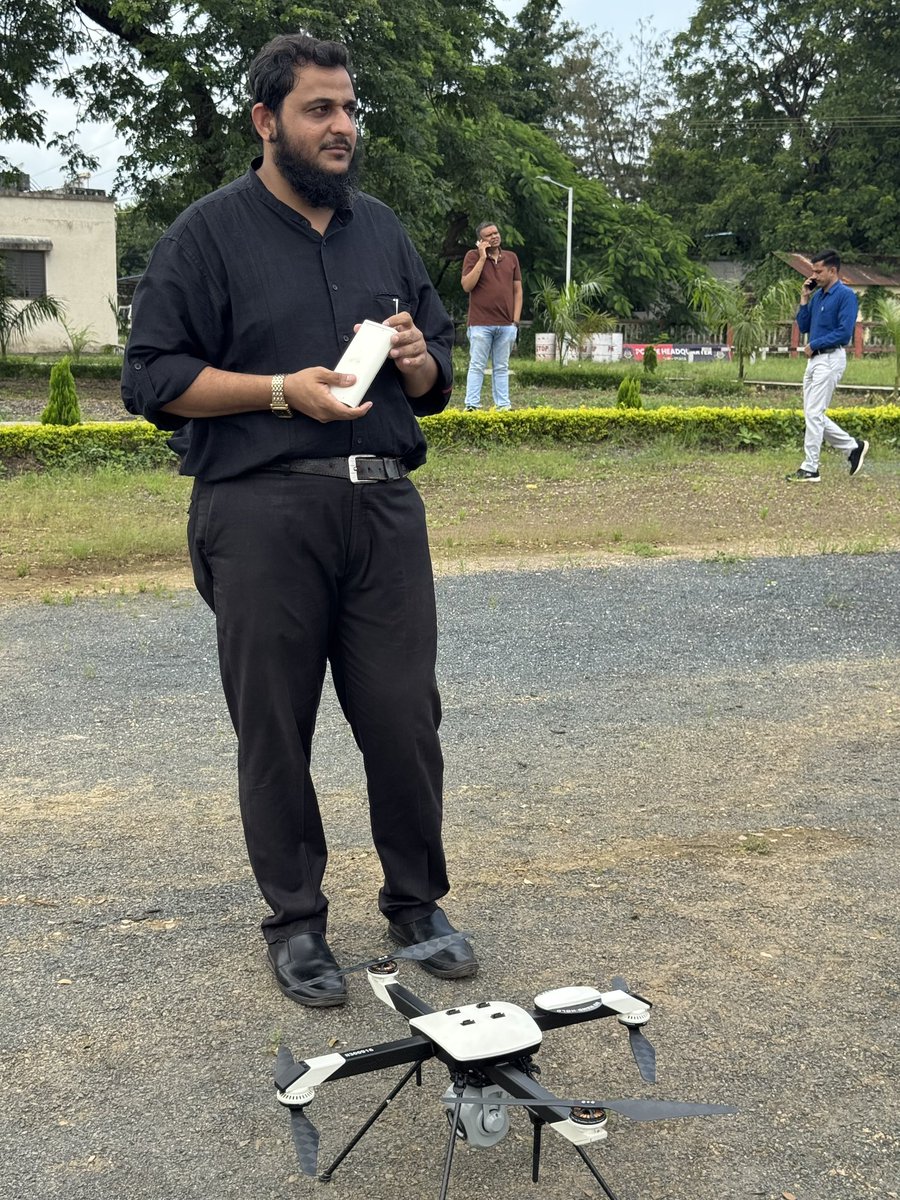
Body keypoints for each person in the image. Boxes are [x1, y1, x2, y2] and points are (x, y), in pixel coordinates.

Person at [121, 33, 477, 1007]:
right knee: (275, 727)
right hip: (259, 512)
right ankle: (297, 924)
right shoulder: (206, 235)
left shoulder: (382, 233)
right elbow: (150, 376)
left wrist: (419, 361)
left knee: (405, 715)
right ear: (266, 120)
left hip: (383, 509)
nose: (342, 127)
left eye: (350, 109)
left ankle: (416, 905)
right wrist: (281, 391)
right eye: (321, 109)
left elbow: (443, 364)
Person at [788, 249, 868, 482]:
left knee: (814, 413)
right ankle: (852, 447)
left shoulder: (846, 296)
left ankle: (810, 467)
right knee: (812, 414)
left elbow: (844, 334)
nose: (814, 275)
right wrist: (804, 299)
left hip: (831, 357)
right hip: (815, 359)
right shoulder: (818, 296)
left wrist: (815, 343)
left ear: (833, 270)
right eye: (813, 270)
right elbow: (803, 326)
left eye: (818, 271)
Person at [461, 221, 523, 410]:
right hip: (480, 323)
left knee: (502, 367)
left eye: (496, 232)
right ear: (481, 240)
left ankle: (503, 406)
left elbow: (518, 291)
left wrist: (515, 322)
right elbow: (467, 286)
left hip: (506, 324)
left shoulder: (511, 258)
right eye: (489, 235)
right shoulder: (472, 256)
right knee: (477, 365)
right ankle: (471, 405)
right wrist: (481, 257)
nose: (494, 236)